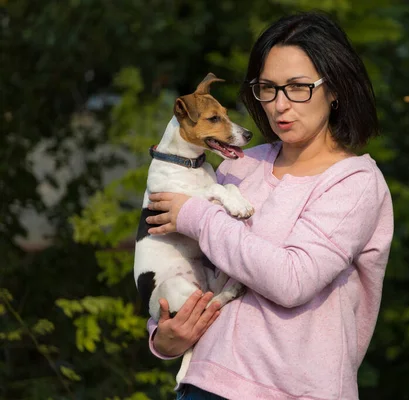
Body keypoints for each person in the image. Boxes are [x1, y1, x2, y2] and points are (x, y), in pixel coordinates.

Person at [145, 11, 394, 400]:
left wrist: (196, 214)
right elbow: (176, 258)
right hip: (203, 385)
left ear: (335, 89)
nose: (279, 105)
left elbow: (292, 281)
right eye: (268, 88)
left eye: (298, 87)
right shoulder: (238, 166)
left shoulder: (354, 183)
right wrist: (164, 336)